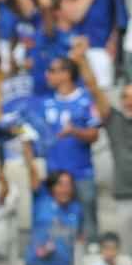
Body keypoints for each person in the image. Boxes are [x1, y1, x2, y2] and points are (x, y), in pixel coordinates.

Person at [73, 36, 132, 261]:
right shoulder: (113, 120)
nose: (131, 102)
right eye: (126, 97)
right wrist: (82, 59)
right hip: (126, 199)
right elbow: (94, 88)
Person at [47, 52, 102, 241]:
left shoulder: (85, 100)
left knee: (88, 222)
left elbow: (95, 135)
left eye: (52, 71)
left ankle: (91, 254)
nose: (48, 75)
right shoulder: (47, 102)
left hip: (81, 173)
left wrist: (74, 131)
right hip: (54, 174)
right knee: (56, 225)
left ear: (66, 74)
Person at [22, 137, 82, 265]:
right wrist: (27, 148)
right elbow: (33, 173)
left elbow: (78, 239)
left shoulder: (76, 209)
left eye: (68, 185)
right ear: (52, 188)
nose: (65, 189)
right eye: (60, 184)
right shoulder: (42, 201)